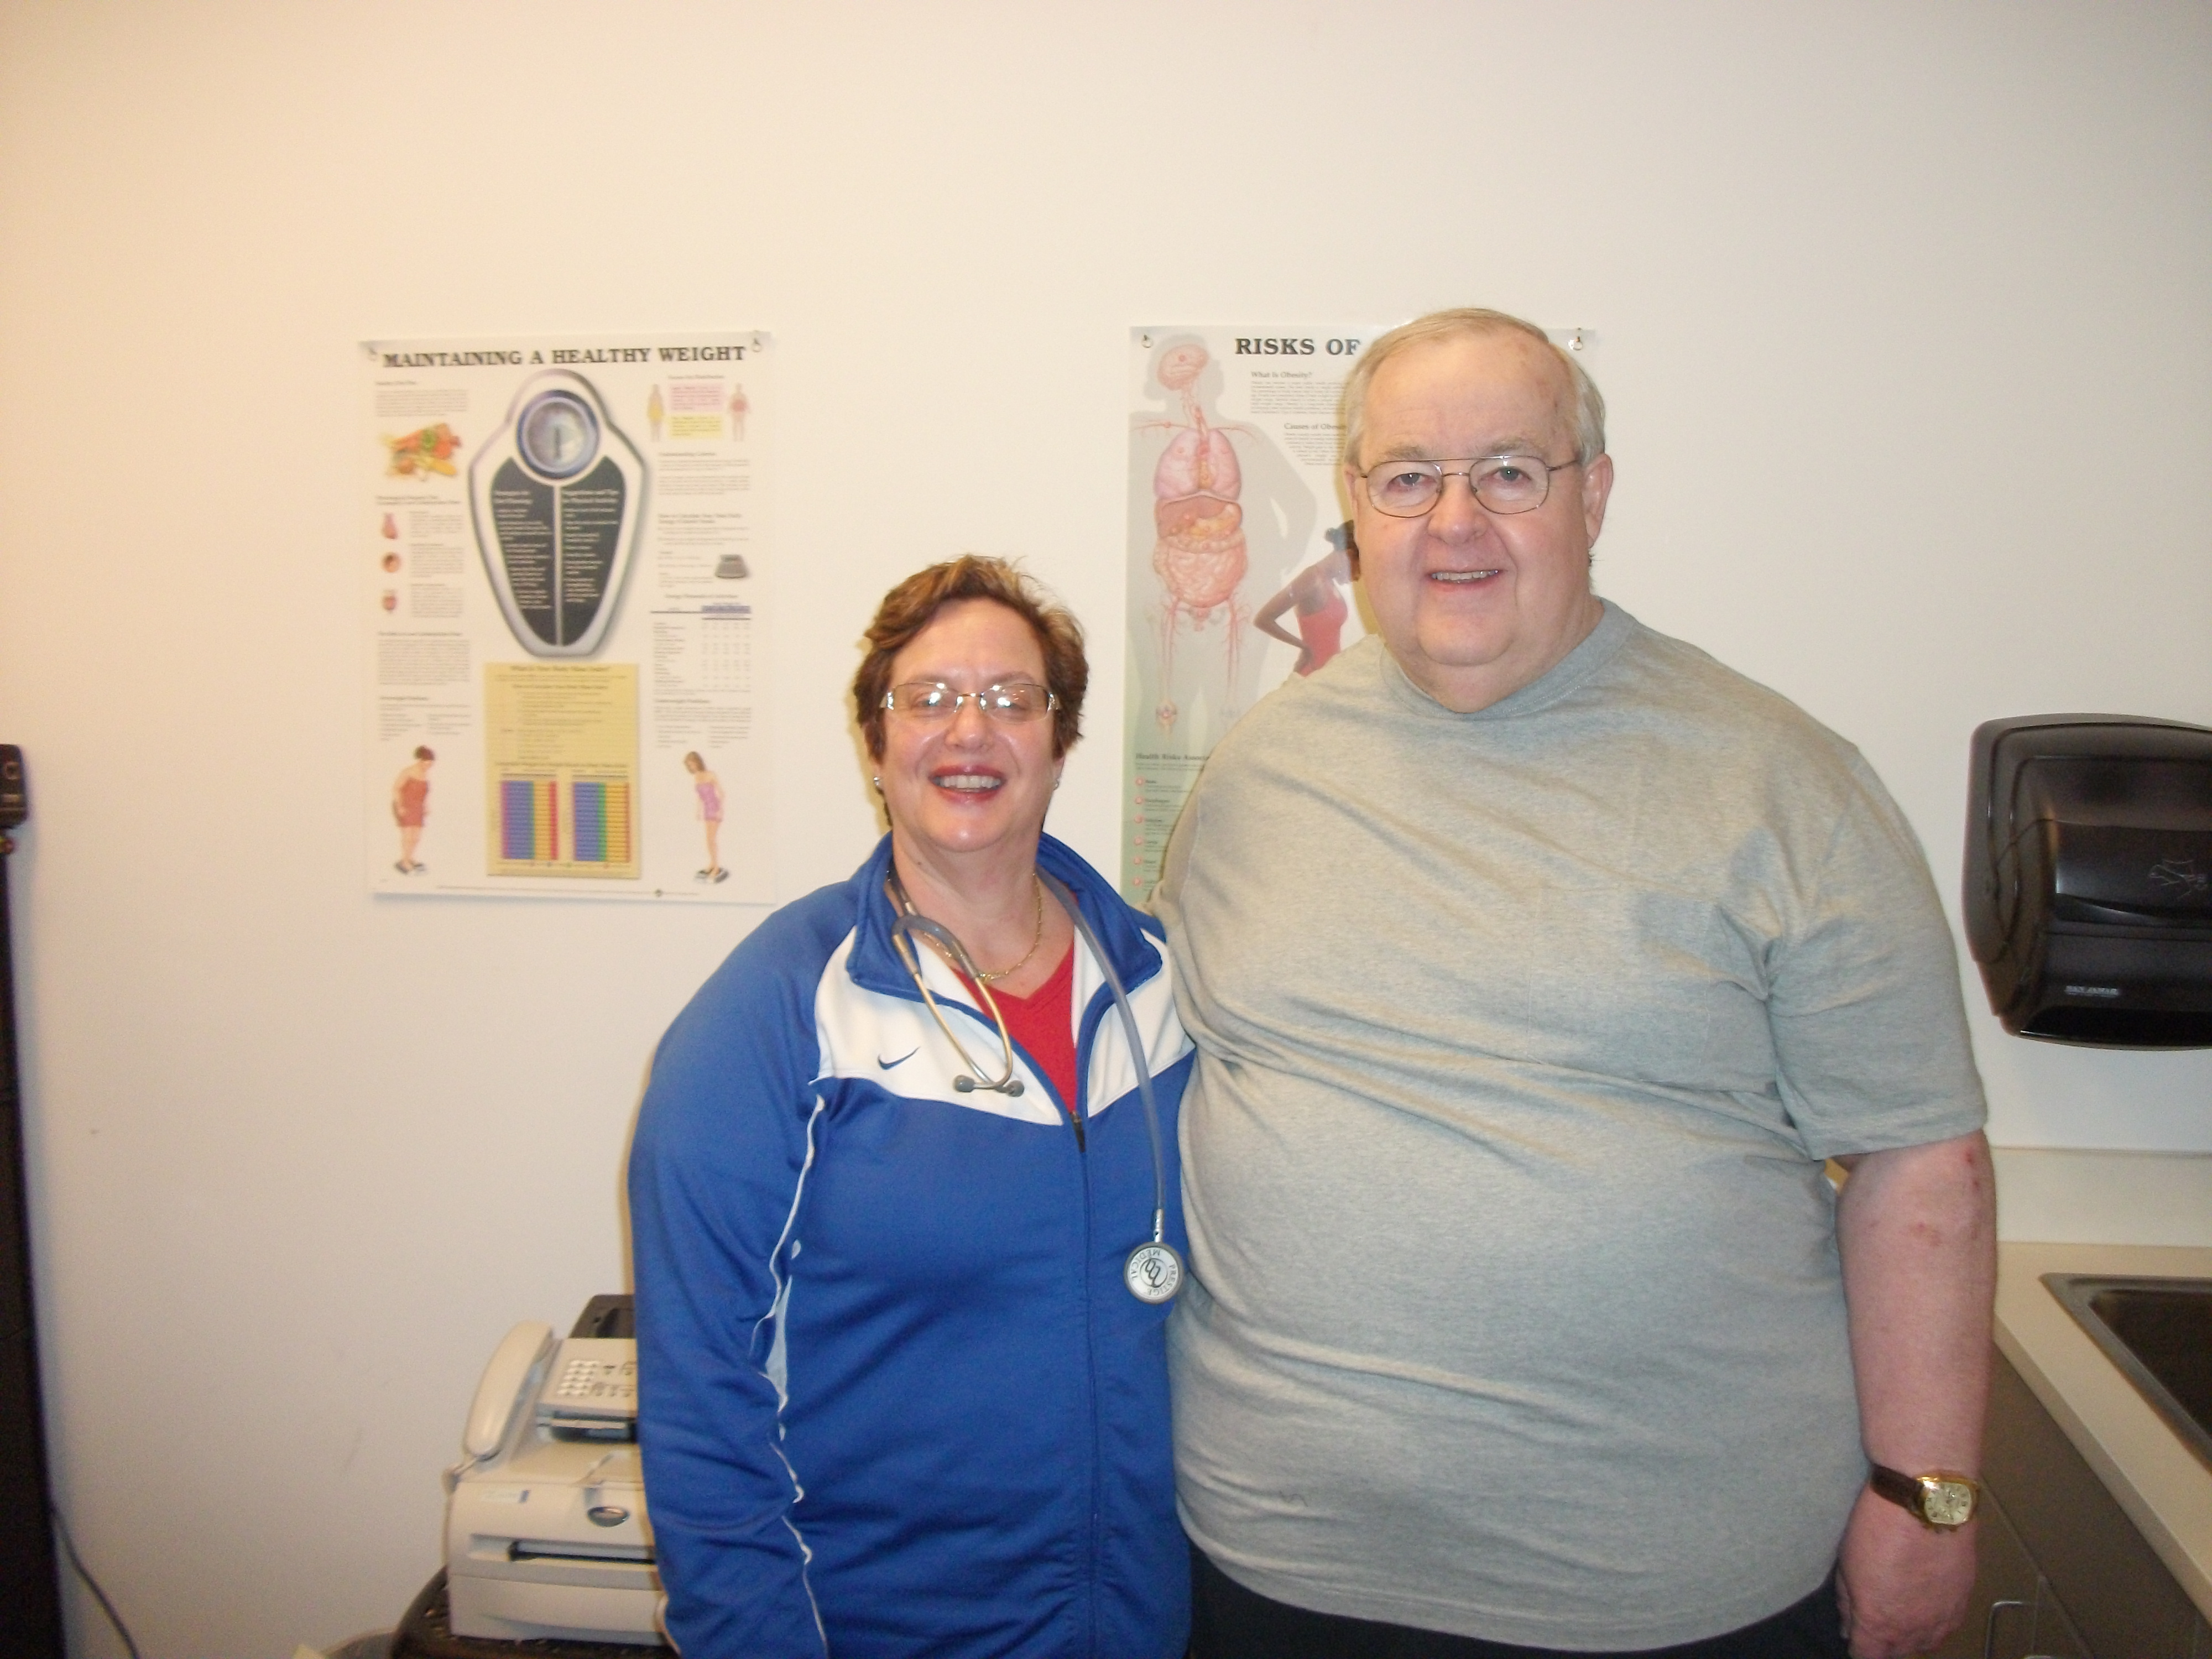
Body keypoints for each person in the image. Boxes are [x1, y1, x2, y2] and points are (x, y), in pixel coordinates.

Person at [1153, 309, 1994, 1659]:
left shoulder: (1782, 780)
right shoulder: (1260, 768)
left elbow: (1920, 1161)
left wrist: (1923, 1497)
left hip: (1675, 1585)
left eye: (1508, 469)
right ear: (1357, 507)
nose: (1454, 520)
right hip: (1281, 1565)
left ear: (1592, 492)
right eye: (1408, 475)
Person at [630, 556, 1196, 1659]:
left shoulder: (1161, 983)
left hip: (1143, 1623)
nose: (968, 733)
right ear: (874, 744)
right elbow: (703, 1402)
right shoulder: (776, 1015)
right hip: (875, 1628)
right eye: (928, 700)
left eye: (1010, 699)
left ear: (1058, 738)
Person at [1253, 522, 1355, 676]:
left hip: (1329, 675)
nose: (1356, 577)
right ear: (1347, 555)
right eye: (1357, 568)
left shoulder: (1329, 583)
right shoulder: (1312, 578)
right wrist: (1304, 647)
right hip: (1312, 674)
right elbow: (1263, 619)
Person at [682, 750, 727, 882]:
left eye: (693, 764)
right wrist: (698, 811)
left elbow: (722, 793)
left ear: (698, 762)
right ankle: (712, 863)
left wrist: (721, 810)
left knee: (712, 839)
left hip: (715, 808)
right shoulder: (697, 777)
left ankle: (716, 866)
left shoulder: (711, 775)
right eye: (690, 766)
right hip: (706, 810)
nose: (692, 768)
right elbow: (700, 797)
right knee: (708, 840)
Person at [390, 746, 432, 873]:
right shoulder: (408, 772)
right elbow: (396, 789)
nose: (428, 767)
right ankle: (404, 861)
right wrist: (400, 807)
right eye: (427, 763)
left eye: (431, 764)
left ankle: (410, 858)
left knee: (416, 837)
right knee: (408, 836)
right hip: (405, 806)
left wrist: (426, 807)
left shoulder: (425, 775)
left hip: (418, 808)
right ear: (420, 760)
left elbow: (424, 794)